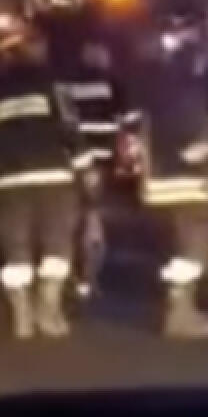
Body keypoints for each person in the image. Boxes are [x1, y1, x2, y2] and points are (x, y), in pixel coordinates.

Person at [0, 18, 83, 340]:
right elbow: (69, 131)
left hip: (7, 183)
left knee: (16, 253)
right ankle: (49, 311)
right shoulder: (51, 85)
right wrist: (86, 170)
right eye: (38, 44)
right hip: (53, 178)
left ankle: (23, 319)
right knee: (57, 248)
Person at [127, 8, 208, 340]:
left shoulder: (151, 79)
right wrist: (207, 164)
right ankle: (180, 315)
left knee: (178, 252)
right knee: (193, 252)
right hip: (189, 183)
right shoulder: (183, 85)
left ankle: (179, 309)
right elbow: (190, 133)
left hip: (162, 183)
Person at [54, 32, 135, 300]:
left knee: (72, 218)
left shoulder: (64, 84)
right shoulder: (113, 82)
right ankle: (88, 278)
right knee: (92, 218)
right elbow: (129, 119)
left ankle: (70, 275)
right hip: (100, 160)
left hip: (70, 160)